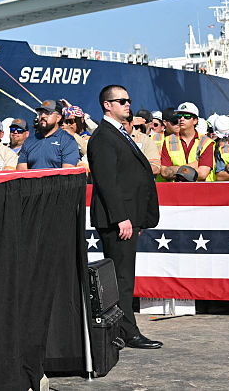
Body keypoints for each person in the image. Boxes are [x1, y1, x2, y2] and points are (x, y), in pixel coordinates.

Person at [87, 84, 161, 350]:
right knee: (121, 279)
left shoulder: (119, 134)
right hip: (117, 219)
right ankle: (126, 332)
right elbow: (107, 182)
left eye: (128, 100)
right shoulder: (104, 137)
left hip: (128, 217)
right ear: (108, 105)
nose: (128, 105)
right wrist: (122, 218)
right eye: (122, 101)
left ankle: (121, 330)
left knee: (123, 277)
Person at [157, 102, 215, 182]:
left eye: (187, 116)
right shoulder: (168, 141)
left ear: (195, 121)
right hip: (176, 191)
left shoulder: (206, 142)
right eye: (179, 116)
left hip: (200, 191)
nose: (182, 119)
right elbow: (164, 172)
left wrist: (176, 170)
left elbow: (202, 173)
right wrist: (194, 165)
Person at [16, 100, 80, 170]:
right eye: (41, 112)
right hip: (30, 181)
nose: (43, 116)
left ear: (58, 118)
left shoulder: (68, 141)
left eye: (47, 113)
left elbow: (68, 174)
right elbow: (21, 173)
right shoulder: (28, 142)